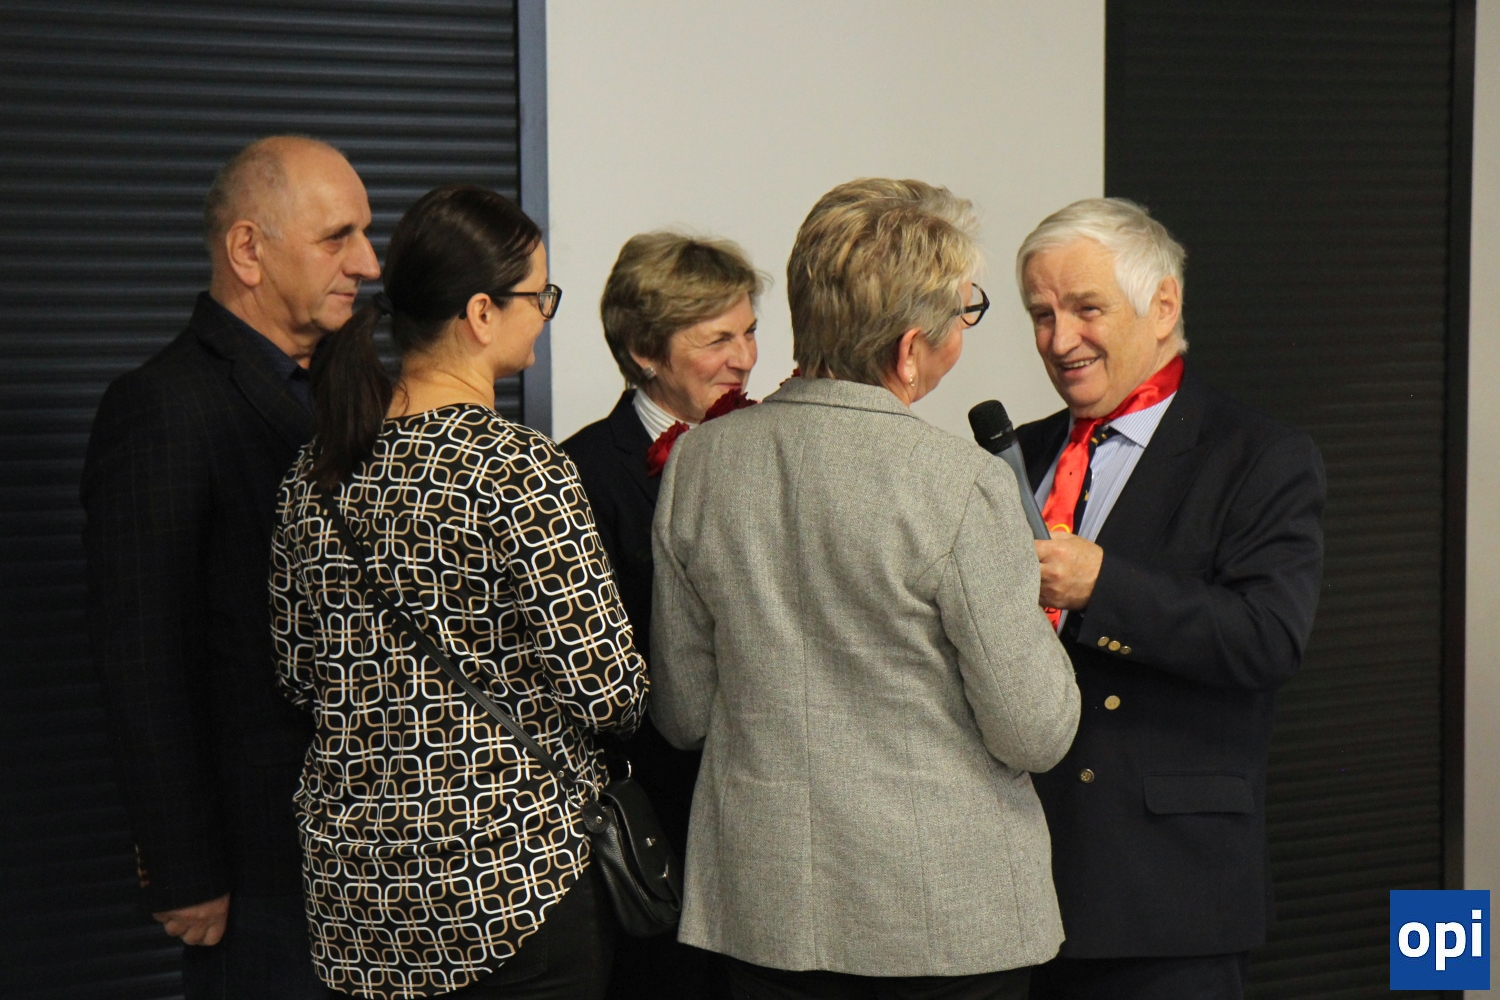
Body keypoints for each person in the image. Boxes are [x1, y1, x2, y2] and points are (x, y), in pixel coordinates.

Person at [650, 178, 1082, 1000]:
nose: (965, 331)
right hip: (942, 919)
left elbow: (685, 713)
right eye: (964, 312)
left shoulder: (700, 464)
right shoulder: (961, 484)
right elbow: (1035, 732)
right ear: (909, 349)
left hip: (765, 908)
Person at [270, 183, 649, 999]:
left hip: (360, 897)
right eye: (539, 296)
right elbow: (607, 690)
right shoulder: (519, 468)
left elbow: (299, 675)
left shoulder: (315, 473)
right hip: (508, 877)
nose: (544, 314)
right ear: (481, 313)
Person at [82, 136, 380, 997]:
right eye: (338, 237)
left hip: (381, 858)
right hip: (261, 874)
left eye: (365, 234)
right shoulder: (162, 406)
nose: (368, 262)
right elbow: (142, 659)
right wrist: (182, 867)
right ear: (248, 249)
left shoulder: (358, 391)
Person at [1012, 198, 1326, 1000]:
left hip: (1167, 899)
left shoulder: (1259, 456)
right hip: (1016, 891)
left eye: (1086, 309)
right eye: (1042, 314)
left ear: (1162, 306)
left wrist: (1102, 586)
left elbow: (1267, 639)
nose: (1059, 340)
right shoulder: (1019, 453)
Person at [560, 231, 764, 999]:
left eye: (749, 332)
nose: (744, 359)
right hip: (660, 811)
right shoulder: (580, 472)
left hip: (763, 808)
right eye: (718, 339)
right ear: (646, 351)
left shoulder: (767, 450)